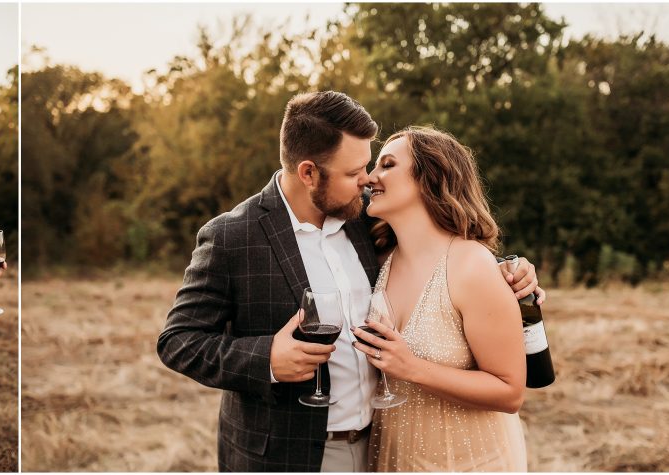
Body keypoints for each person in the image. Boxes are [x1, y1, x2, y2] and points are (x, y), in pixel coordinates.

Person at [157, 91, 541, 472]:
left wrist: (513, 272)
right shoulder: (233, 236)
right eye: (353, 172)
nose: (367, 180)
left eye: (371, 165)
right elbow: (178, 341)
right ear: (309, 172)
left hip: (381, 446)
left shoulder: (368, 224)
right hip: (283, 455)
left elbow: (444, 256)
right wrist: (267, 359)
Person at [353, 126, 531, 471]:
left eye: (387, 165)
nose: (370, 177)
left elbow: (510, 392)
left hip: (468, 462)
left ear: (429, 178)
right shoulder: (378, 261)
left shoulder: (471, 266)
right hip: (393, 460)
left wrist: (412, 369)